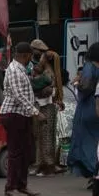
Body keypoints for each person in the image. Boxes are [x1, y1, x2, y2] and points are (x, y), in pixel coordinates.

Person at [2, 41, 42, 196]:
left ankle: (21, 185)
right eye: (30, 56)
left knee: (26, 151)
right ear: (25, 56)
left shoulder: (22, 69)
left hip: (22, 114)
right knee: (16, 152)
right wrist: (35, 112)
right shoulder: (14, 70)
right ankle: (11, 187)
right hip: (13, 114)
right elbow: (19, 96)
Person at [29, 41, 63, 175]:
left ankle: (49, 165)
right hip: (38, 105)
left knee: (47, 136)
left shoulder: (47, 70)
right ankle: (40, 164)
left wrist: (35, 86)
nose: (32, 54)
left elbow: (44, 88)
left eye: (34, 51)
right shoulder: (37, 67)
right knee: (38, 136)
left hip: (46, 106)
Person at [68, 43, 99, 181]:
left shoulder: (89, 67)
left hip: (88, 106)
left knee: (86, 141)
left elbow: (85, 87)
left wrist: (76, 84)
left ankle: (93, 172)